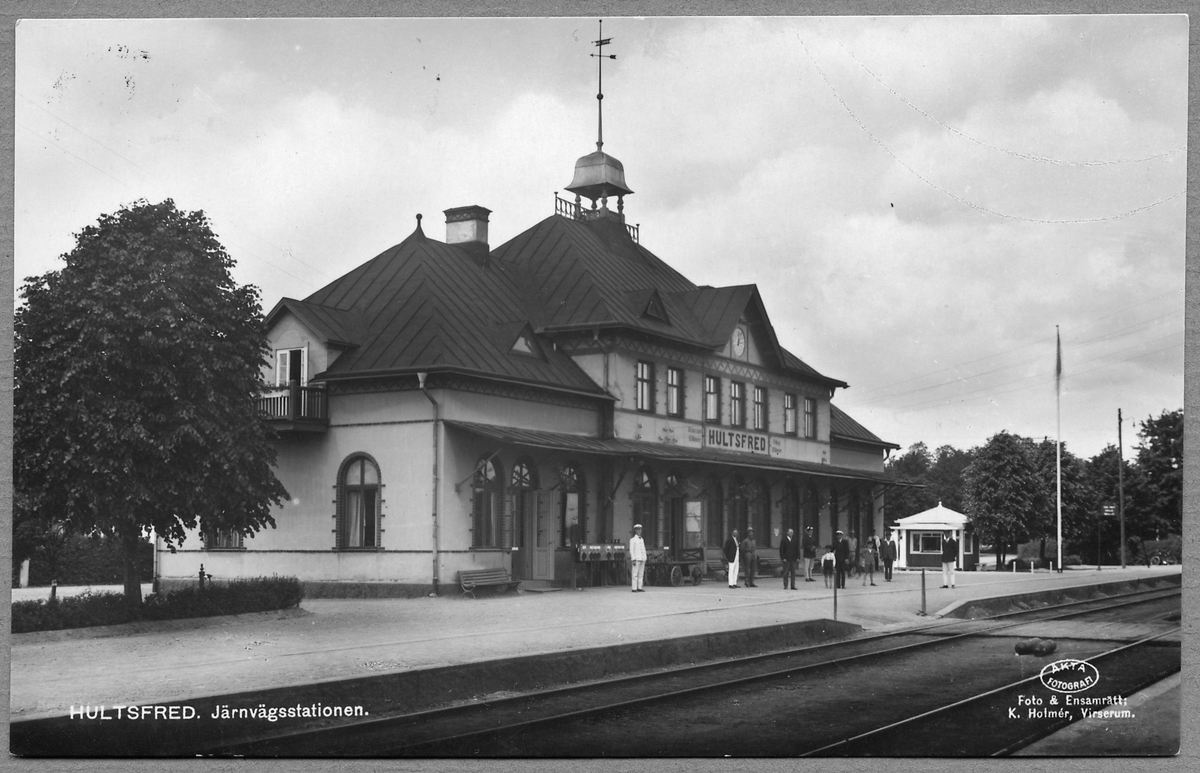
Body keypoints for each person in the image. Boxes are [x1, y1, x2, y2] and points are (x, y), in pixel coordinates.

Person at [629, 523, 647, 592]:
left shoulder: (642, 539)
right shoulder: (632, 540)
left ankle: (639, 587)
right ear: (635, 530)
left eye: (640, 529)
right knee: (635, 574)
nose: (639, 531)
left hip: (642, 558)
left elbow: (643, 549)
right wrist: (633, 559)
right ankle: (634, 588)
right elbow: (631, 550)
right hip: (636, 559)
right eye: (637, 529)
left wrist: (645, 557)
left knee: (641, 574)